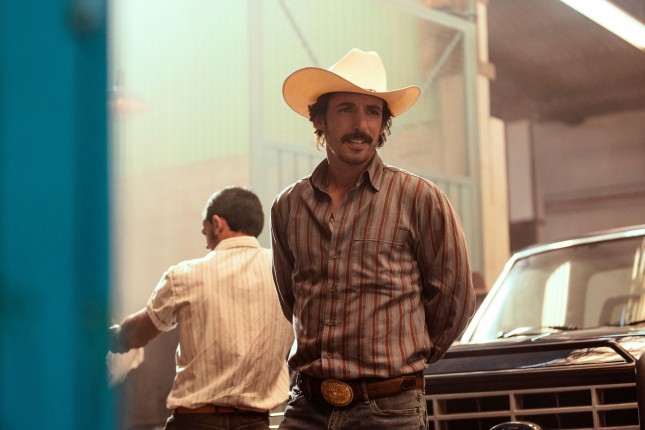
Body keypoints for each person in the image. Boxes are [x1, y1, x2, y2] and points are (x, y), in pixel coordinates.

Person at [271, 48, 476, 429]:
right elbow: (291, 299)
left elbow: (456, 300)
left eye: (372, 112)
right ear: (320, 119)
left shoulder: (419, 198)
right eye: (346, 109)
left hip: (390, 411)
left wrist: (403, 359)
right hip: (306, 408)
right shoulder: (288, 206)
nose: (360, 125)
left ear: (383, 125)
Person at [109, 186, 294, 430]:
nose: (206, 243)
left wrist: (112, 337)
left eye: (205, 231)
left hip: (197, 422)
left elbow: (137, 333)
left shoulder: (186, 275)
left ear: (217, 224)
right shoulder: (285, 272)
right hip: (256, 423)